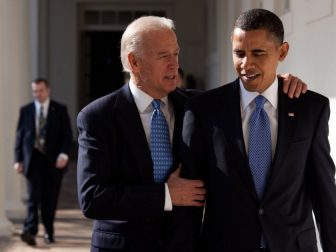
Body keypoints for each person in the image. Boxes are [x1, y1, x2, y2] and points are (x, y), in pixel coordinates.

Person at [76, 16, 308, 252]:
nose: (174, 64)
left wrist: (276, 84)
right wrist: (166, 196)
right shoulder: (98, 117)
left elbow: (247, 91)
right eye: (163, 56)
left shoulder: (199, 106)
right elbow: (93, 198)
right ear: (134, 62)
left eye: (176, 53)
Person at [179, 8, 336, 252]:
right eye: (238, 53)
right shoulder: (203, 110)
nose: (245, 63)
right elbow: (191, 200)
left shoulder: (311, 108)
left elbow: (324, 192)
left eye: (258, 53)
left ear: (282, 52)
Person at [14, 78, 73, 246]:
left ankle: (49, 231)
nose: (37, 94)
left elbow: (67, 136)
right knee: (33, 197)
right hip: (32, 160)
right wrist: (18, 159)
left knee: (50, 198)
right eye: (34, 91)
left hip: (53, 162)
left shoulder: (60, 110)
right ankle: (31, 231)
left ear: (48, 91)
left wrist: (63, 155)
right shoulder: (26, 110)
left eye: (40, 91)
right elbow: (20, 137)